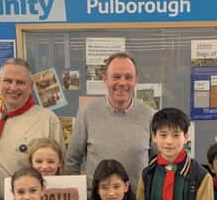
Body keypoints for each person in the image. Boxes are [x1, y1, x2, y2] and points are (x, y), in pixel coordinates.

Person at [0, 58, 65, 198]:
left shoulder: (48, 120)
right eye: (8, 81)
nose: (13, 87)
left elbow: (60, 171)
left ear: (31, 85)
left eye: (20, 82)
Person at [65, 52, 154, 192]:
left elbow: (156, 164)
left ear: (136, 80)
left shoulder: (149, 115)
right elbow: (72, 162)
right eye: (116, 77)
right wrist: (82, 199)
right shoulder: (87, 113)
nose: (122, 83)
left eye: (128, 77)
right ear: (105, 79)